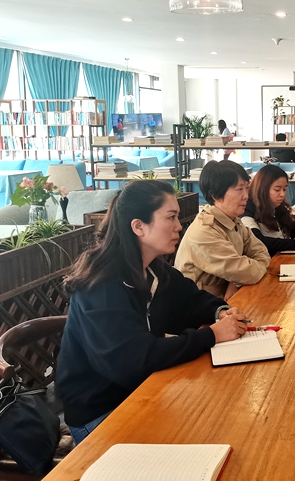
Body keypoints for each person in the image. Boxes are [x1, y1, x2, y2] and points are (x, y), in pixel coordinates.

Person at [56, 180, 249, 445]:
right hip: (102, 411)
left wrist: (220, 312)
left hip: (145, 389)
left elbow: (191, 300)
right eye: (171, 217)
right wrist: (211, 336)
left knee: (224, 418)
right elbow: (134, 361)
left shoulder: (153, 269)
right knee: (207, 433)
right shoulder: (102, 286)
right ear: (138, 227)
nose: (179, 226)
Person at [175, 160, 270, 299]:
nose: (246, 196)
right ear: (216, 195)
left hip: (226, 301)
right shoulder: (205, 231)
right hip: (201, 307)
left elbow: (262, 253)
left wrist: (235, 281)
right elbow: (248, 273)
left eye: (246, 188)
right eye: (239, 189)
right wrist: (240, 277)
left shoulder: (232, 220)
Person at [241, 164, 295, 255]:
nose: (282, 194)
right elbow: (257, 240)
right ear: (263, 189)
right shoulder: (247, 210)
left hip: (282, 257)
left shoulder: (277, 207)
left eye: (284, 189)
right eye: (277, 190)